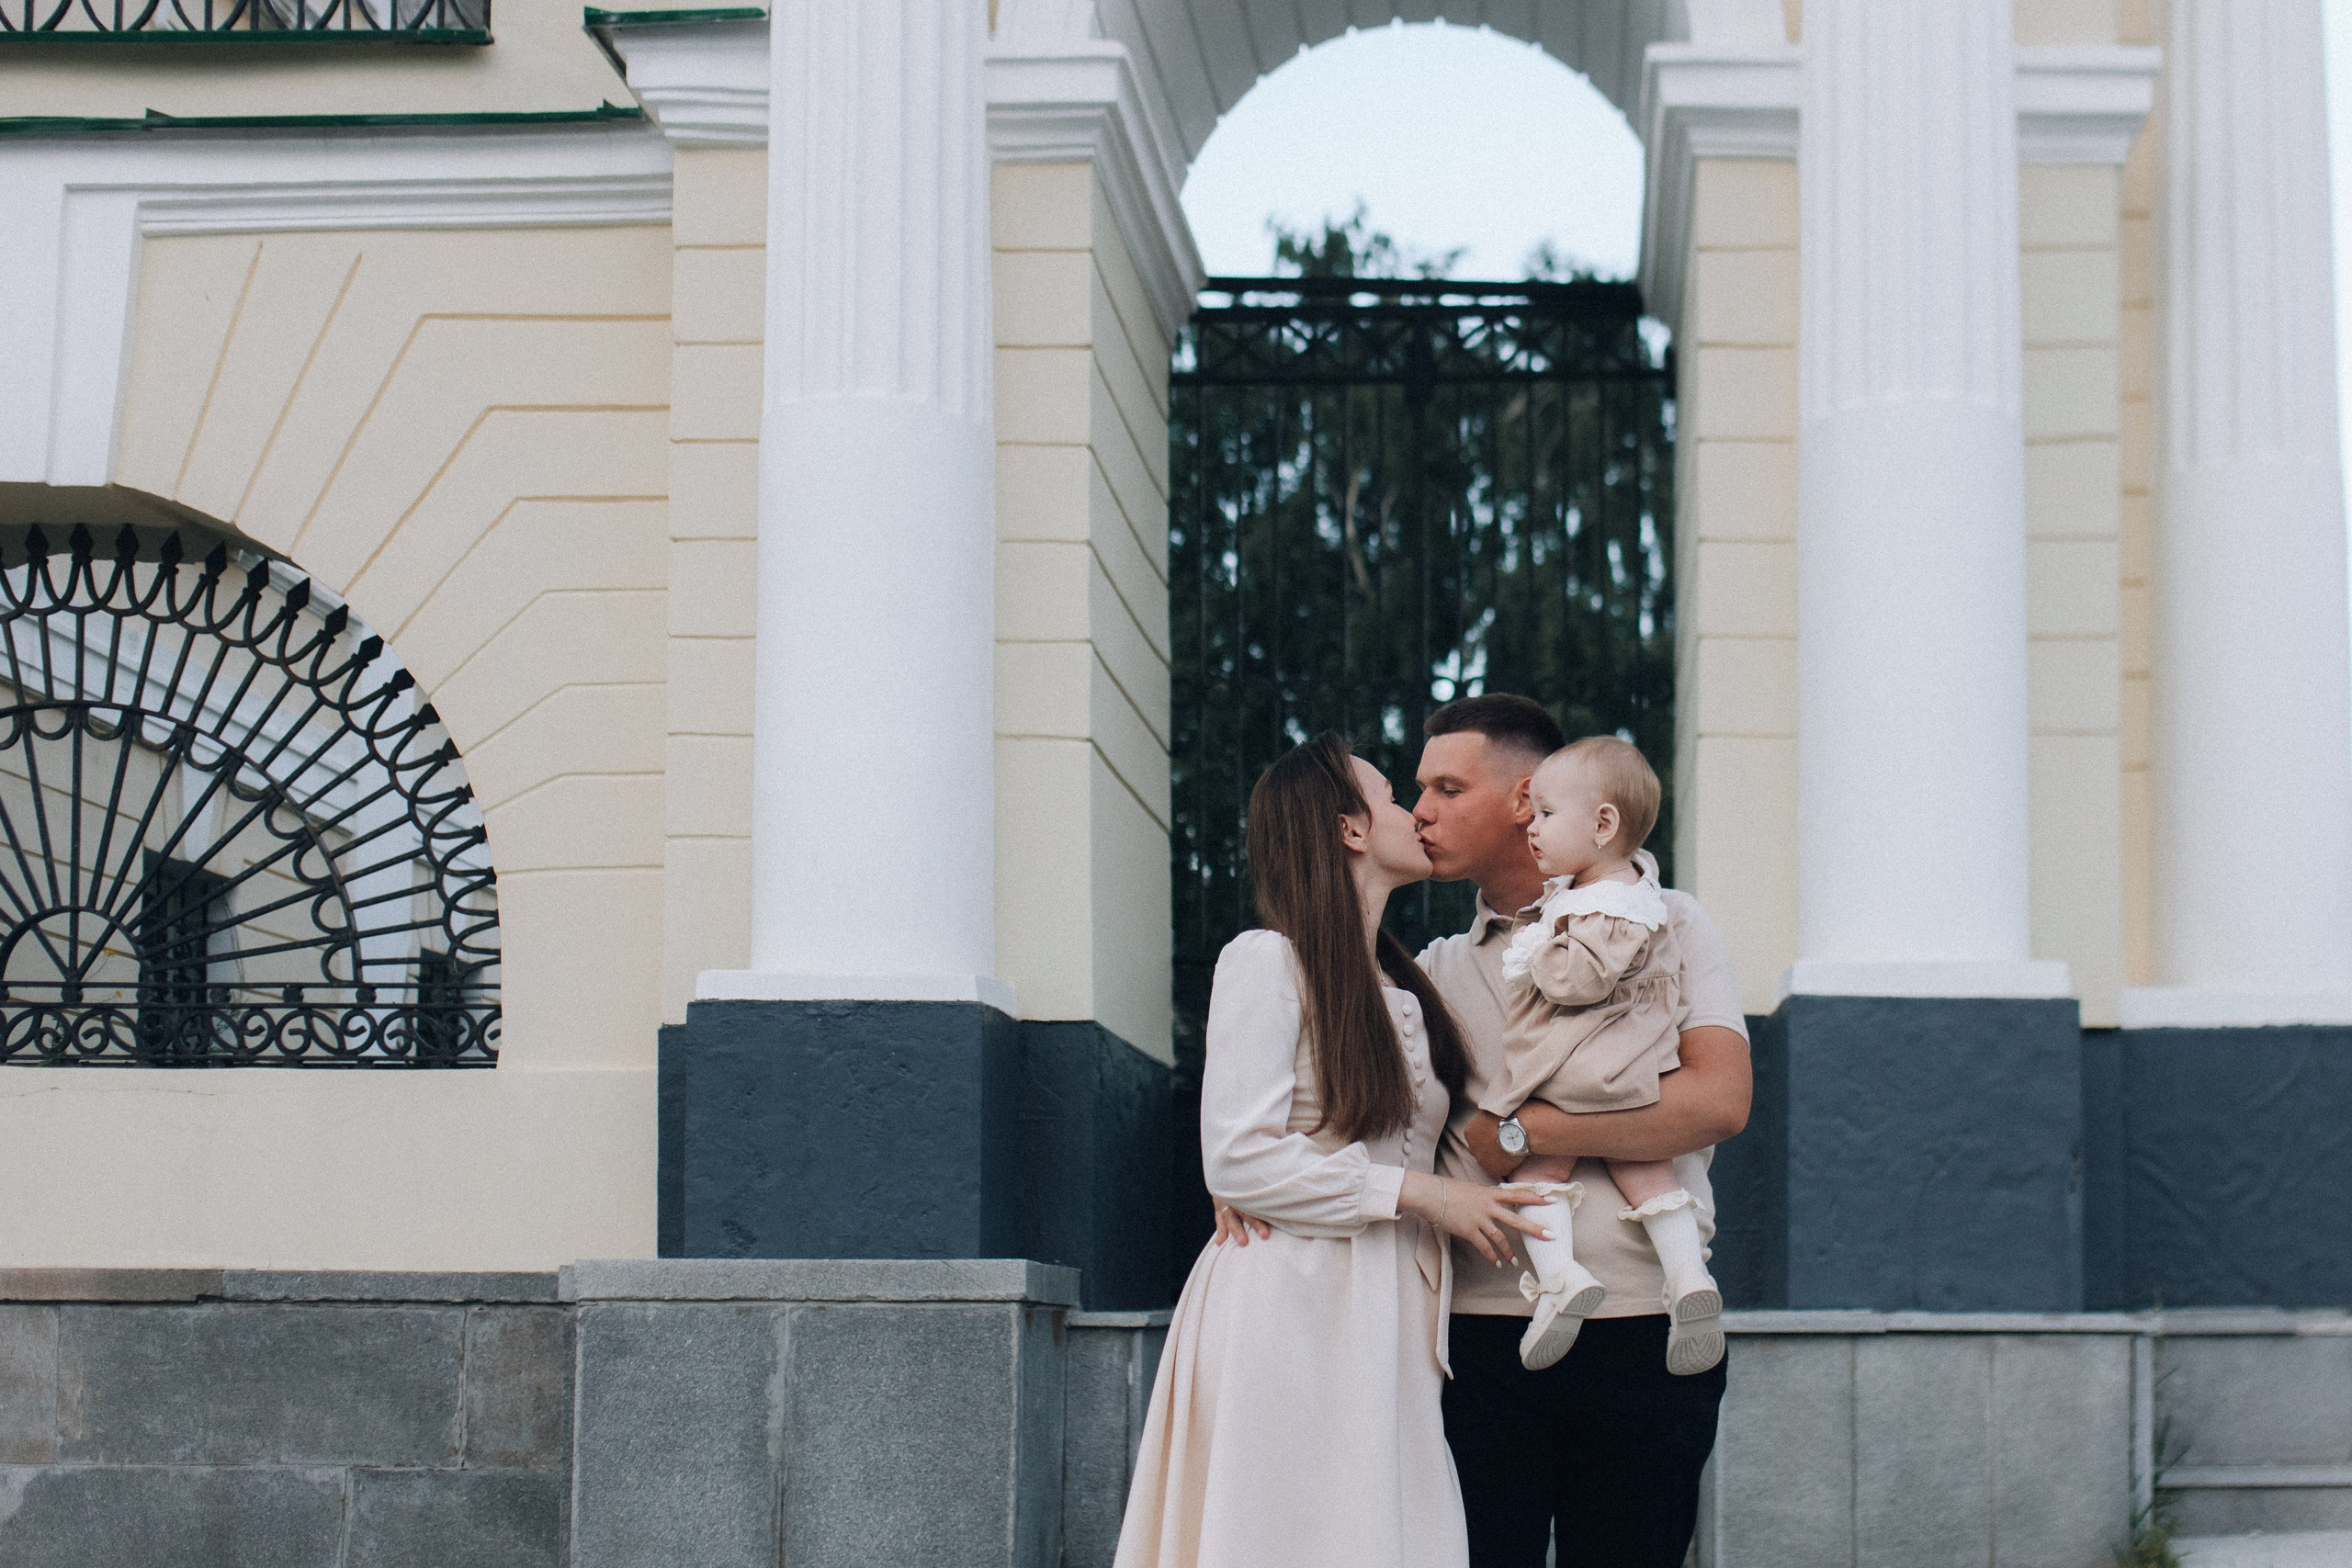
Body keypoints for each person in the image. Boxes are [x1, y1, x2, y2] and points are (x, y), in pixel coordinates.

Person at [1114, 733, 1551, 1568]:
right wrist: (1426, 1198)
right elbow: (1237, 1159)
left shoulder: (1405, 984)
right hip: (1290, 1298)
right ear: (1350, 829)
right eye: (1392, 797)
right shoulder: (1266, 961)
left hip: (1386, 1306)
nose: (1414, 813)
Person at [1482, 737, 1724, 1378]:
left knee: (1534, 1172)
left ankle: (1559, 1274)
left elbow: (1578, 982)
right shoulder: (1642, 894)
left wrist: (1539, 953)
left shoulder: (1601, 902)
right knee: (1647, 1171)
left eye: (1545, 814)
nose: (1530, 828)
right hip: (1641, 1071)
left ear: (1604, 824)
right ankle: (1687, 1275)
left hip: (1582, 1069)